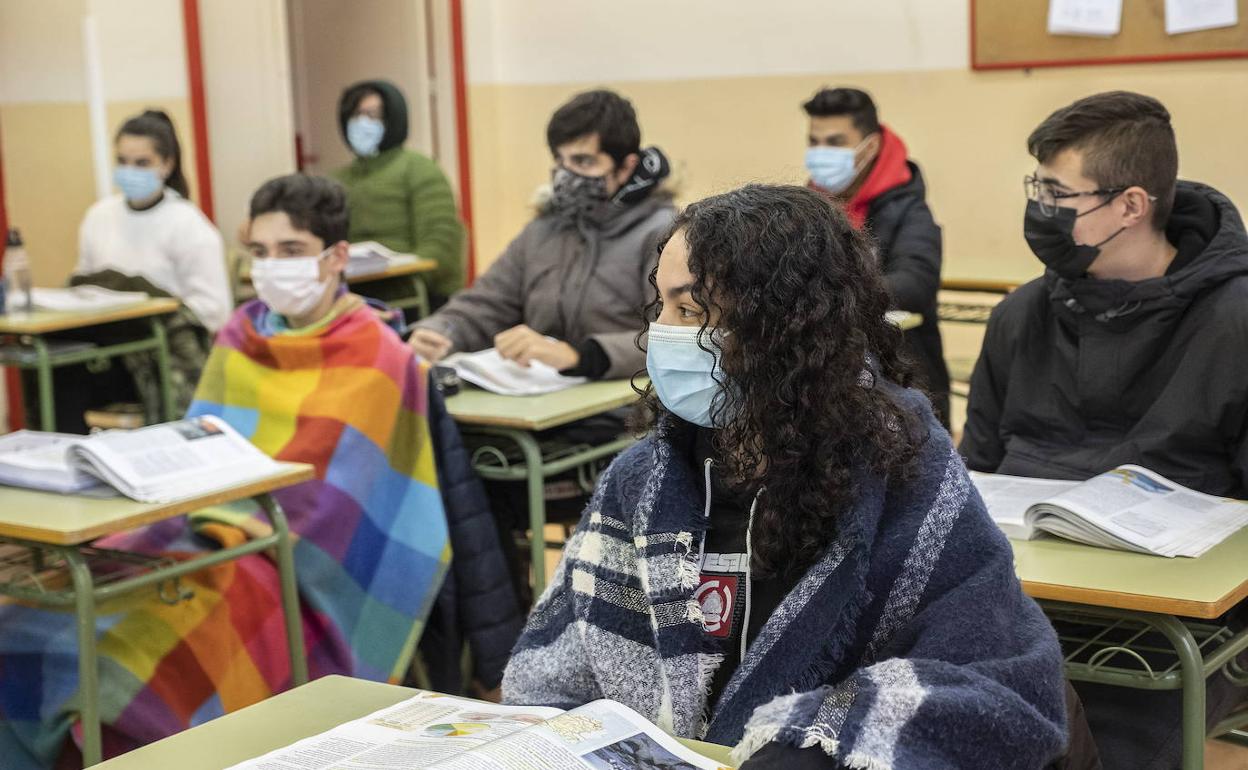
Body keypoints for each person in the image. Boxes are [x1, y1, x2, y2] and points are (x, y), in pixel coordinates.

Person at [502, 184, 1070, 769]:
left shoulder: (902, 474)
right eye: (662, 307)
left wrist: (819, 742)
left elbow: (998, 679)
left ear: (781, 326)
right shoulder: (641, 482)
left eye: (691, 311)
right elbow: (548, 679)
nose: (662, 333)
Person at [0, 175, 520, 767]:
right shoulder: (239, 333)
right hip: (190, 526)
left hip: (291, 556)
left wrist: (245, 520)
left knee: (129, 661)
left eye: (292, 252)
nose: (273, 267)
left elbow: (341, 503)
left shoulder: (380, 355)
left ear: (337, 257)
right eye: (261, 253)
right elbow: (201, 441)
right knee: (30, 621)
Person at [960, 91, 1248, 768]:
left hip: (1180, 629)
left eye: (1060, 193)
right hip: (1020, 607)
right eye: (1038, 188)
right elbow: (973, 475)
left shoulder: (1235, 322)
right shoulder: (1021, 317)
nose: (1041, 210)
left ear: (1131, 206)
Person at [408, 89, 675, 594]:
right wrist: (437, 333)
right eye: (559, 160)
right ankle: (494, 635)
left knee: (485, 488)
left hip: (617, 424)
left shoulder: (661, 232)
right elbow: (487, 300)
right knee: (453, 475)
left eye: (583, 161)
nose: (566, 174)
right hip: (530, 418)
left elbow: (676, 335)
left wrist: (583, 355)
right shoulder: (544, 231)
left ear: (626, 166)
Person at [30, 110, 229, 432]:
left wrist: (156, 309)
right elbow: (83, 285)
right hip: (106, 347)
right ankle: (61, 454)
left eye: (142, 163)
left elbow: (215, 311)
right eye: (122, 161)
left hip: (161, 353)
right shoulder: (99, 216)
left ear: (167, 164)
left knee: (78, 375)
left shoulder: (187, 224)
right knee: (51, 366)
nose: (129, 171)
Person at [803, 87, 950, 426]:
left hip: (903, 382)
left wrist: (831, 295)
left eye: (836, 142)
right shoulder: (809, 208)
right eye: (814, 141)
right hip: (828, 384)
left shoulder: (910, 210)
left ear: (869, 147)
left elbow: (916, 282)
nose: (821, 153)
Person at [332, 79, 466, 307]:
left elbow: (440, 242)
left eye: (373, 115)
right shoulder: (336, 180)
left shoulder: (419, 168)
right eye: (355, 116)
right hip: (348, 292)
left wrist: (401, 276)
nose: (362, 123)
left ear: (393, 118)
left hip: (409, 289)